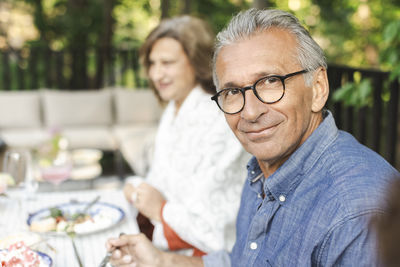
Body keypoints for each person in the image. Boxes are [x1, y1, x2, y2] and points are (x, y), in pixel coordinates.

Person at [107, 8, 400, 267]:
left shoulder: (357, 213)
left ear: (319, 88)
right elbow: (239, 262)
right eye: (233, 91)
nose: (250, 112)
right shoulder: (261, 168)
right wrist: (161, 261)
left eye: (271, 82)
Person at [121, 15, 250, 258]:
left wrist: (160, 210)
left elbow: (217, 226)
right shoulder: (174, 108)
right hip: (167, 236)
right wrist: (138, 189)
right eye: (152, 63)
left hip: (207, 255)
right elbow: (164, 179)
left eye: (167, 63)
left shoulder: (219, 119)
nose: (156, 74)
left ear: (195, 62)